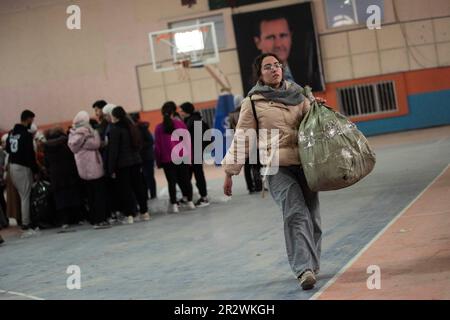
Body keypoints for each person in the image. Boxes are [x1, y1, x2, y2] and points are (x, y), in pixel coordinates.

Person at [222, 53, 321, 290]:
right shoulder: (253, 102)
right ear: (260, 74)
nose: (275, 69)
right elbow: (242, 138)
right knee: (295, 213)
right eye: (268, 67)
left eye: (277, 65)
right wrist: (229, 172)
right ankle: (303, 269)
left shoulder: (298, 94)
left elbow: (312, 121)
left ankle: (312, 263)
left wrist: (318, 108)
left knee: (312, 217)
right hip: (276, 166)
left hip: (305, 164)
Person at [68, 111, 112, 229]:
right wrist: (96, 133)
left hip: (83, 170)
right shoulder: (86, 132)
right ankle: (100, 220)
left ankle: (93, 219)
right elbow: (96, 144)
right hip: (94, 168)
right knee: (99, 195)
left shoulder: (73, 134)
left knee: (90, 196)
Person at [108, 106, 150, 224]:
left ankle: (129, 215)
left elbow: (113, 151)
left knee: (125, 190)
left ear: (115, 116)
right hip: (136, 162)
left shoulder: (115, 129)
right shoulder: (132, 126)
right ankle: (144, 212)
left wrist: (111, 168)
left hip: (123, 164)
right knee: (138, 187)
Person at [155, 101, 195, 213]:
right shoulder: (180, 124)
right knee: (186, 180)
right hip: (181, 157)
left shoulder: (158, 128)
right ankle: (190, 201)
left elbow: (157, 148)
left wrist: (159, 162)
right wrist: (190, 157)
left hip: (167, 160)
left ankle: (174, 205)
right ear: (174, 112)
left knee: (171, 182)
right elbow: (188, 143)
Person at [5, 110, 39, 232]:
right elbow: (30, 155)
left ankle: (23, 219)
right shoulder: (26, 135)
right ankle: (26, 222)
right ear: (28, 119)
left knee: (21, 195)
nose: (32, 122)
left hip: (12, 166)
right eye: (32, 120)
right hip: (22, 167)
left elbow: (8, 149)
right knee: (25, 195)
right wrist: (36, 170)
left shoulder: (11, 133)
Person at [44, 127, 83, 229]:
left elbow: (46, 162)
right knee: (73, 195)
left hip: (56, 175)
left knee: (60, 199)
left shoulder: (47, 146)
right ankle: (77, 218)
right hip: (69, 173)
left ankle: (64, 221)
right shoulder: (66, 142)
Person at [228, 95, 262, 194]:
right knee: (255, 165)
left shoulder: (231, 114)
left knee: (246, 167)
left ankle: (250, 187)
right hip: (252, 140)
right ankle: (259, 185)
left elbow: (231, 130)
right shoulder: (248, 110)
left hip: (241, 142)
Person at [179, 102, 210, 207]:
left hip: (194, 152)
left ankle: (203, 197)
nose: (180, 112)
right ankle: (189, 196)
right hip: (193, 152)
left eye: (182, 110)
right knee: (190, 175)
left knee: (197, 175)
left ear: (187, 111)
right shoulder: (191, 120)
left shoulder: (193, 121)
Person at [253, 15, 295, 82]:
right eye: (270, 37)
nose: (278, 44)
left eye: (283, 35)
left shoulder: (308, 70)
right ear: (258, 43)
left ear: (291, 37)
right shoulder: (252, 82)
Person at [130, 112, 157, 200]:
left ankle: (153, 195)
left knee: (149, 177)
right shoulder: (133, 129)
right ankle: (146, 195)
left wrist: (139, 146)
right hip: (139, 157)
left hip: (146, 157)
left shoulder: (142, 128)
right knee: (143, 178)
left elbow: (150, 141)